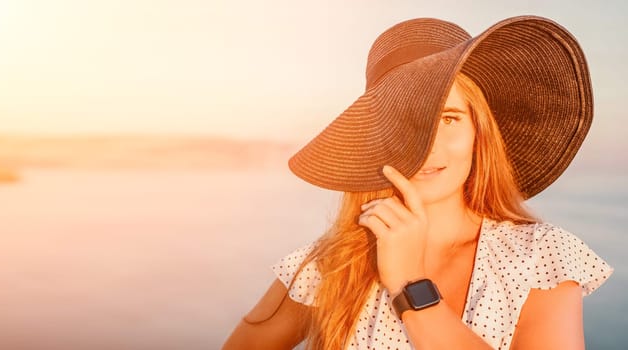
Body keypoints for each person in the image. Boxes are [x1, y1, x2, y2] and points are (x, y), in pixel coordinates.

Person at [223, 15, 613, 350]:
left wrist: (410, 283)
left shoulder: (540, 257)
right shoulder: (332, 263)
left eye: (448, 119)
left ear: (479, 132)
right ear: (379, 138)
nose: (428, 144)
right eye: (405, 121)